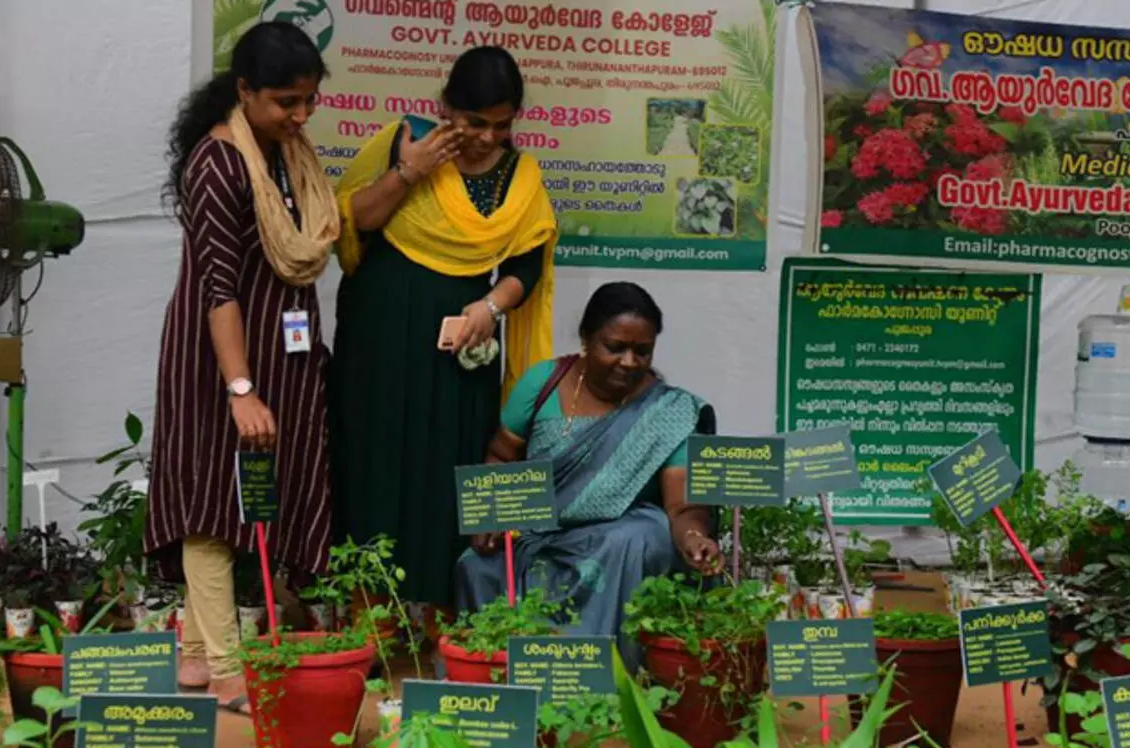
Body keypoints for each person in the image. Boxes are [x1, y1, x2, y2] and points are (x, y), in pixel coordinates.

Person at [144, 22, 338, 710]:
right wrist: (241, 389)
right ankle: (229, 671)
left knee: (246, 495)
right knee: (212, 505)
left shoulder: (284, 151)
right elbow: (217, 288)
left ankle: (195, 656)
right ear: (244, 90)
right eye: (287, 101)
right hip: (218, 364)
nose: (301, 115)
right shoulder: (218, 163)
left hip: (276, 357)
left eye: (310, 101)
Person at [330, 47, 558, 627]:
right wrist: (411, 170)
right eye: (474, 121)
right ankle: (370, 618)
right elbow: (354, 222)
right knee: (376, 462)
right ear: (445, 108)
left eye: (501, 124)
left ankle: (443, 620)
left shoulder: (519, 174)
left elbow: (526, 267)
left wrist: (489, 306)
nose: (486, 137)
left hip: (463, 342)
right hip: (381, 332)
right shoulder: (402, 140)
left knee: (452, 465)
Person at [456, 283, 724, 669]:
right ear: (586, 338)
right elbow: (500, 456)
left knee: (632, 540)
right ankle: (503, 675)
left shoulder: (670, 411)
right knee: (475, 565)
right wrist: (491, 515)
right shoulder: (542, 383)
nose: (630, 361)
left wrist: (695, 538)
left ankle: (608, 676)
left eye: (642, 351)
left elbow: (682, 506)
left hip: (620, 533)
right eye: (615, 347)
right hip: (540, 533)